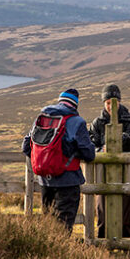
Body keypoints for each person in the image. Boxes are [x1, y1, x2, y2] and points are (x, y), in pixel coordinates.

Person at [22, 88, 95, 232]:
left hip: (44, 181)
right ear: (75, 104)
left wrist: (46, 161)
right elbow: (89, 154)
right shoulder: (76, 122)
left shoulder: (42, 118)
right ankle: (61, 253)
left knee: (48, 225)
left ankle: (51, 253)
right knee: (63, 228)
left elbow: (26, 146)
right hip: (68, 181)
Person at [89, 84, 130, 238]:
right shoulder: (97, 123)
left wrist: (122, 139)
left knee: (126, 209)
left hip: (126, 172)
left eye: (114, 102)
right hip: (103, 174)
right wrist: (101, 150)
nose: (111, 106)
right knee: (102, 208)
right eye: (108, 103)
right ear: (103, 103)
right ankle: (102, 241)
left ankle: (126, 241)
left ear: (119, 101)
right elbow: (92, 143)